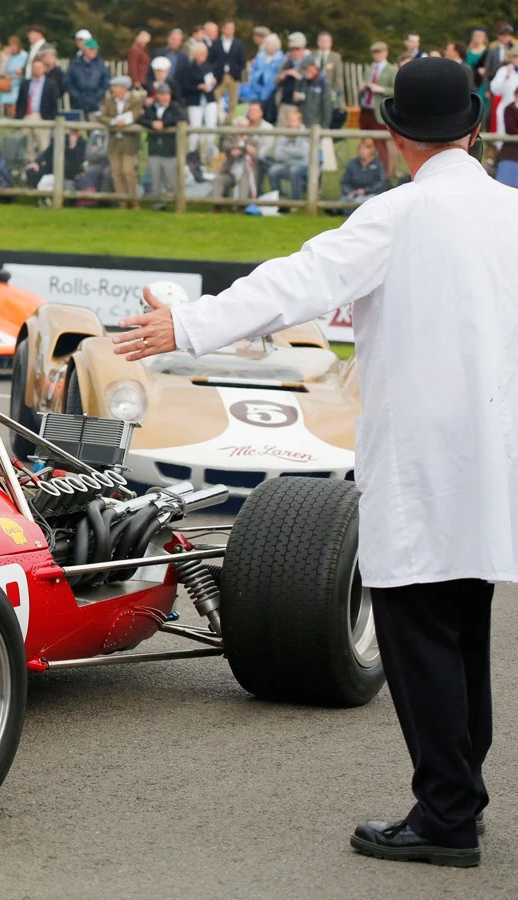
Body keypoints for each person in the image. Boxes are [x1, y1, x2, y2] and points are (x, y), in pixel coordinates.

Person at [116, 57, 517, 869]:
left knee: (420, 634)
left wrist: (186, 326)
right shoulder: (509, 211)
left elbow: (296, 282)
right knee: (463, 628)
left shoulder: (398, 214)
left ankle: (445, 813)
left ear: (391, 132)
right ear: (476, 125)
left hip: (422, 455)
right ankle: (459, 799)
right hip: (492, 447)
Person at [96, 76, 145, 207]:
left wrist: (124, 122)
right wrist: (113, 122)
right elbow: (102, 116)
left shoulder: (135, 99)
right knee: (116, 172)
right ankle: (122, 202)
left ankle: (134, 202)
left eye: (115, 86)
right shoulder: (109, 100)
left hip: (129, 142)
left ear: (123, 88)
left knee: (128, 172)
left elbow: (135, 115)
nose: (112, 89)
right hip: (114, 141)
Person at [138, 82, 183, 209]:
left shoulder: (174, 107)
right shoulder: (152, 108)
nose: (165, 97)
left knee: (171, 179)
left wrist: (164, 123)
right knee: (155, 179)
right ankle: (158, 204)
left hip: (169, 150)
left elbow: (181, 118)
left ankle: (176, 204)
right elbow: (141, 119)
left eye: (167, 94)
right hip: (154, 149)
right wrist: (152, 124)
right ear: (157, 95)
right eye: (162, 94)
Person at [360, 41, 397, 171]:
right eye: (374, 52)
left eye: (379, 52)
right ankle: (365, 172)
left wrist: (381, 89)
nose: (376, 55)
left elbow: (396, 91)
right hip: (366, 109)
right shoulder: (369, 69)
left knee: (381, 144)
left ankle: (385, 175)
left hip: (379, 112)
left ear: (386, 52)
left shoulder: (392, 70)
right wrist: (363, 87)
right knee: (364, 143)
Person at [180, 40, 218, 160]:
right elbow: (185, 86)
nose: (204, 56)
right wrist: (199, 87)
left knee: (211, 125)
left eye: (205, 54)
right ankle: (191, 154)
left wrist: (212, 84)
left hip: (209, 99)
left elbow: (213, 81)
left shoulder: (209, 66)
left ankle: (208, 153)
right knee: (195, 128)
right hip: (195, 100)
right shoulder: (188, 68)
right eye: (201, 54)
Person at [15, 57, 59, 158]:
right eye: (34, 67)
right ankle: (28, 168)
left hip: (41, 117)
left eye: (39, 67)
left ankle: (44, 168)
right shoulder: (25, 84)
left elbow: (54, 105)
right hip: (27, 117)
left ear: (44, 69)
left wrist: (49, 119)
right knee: (26, 146)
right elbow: (20, 103)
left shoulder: (51, 85)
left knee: (44, 145)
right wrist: (19, 119)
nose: (36, 70)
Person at [337, 137, 389, 210]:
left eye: (365, 148)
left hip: (371, 195)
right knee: (344, 200)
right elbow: (344, 181)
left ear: (371, 150)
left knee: (362, 201)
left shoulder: (378, 164)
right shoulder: (353, 163)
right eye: (360, 148)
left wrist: (365, 191)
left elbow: (382, 182)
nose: (362, 151)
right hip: (353, 195)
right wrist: (350, 192)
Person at [66, 38, 109, 120]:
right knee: (76, 128)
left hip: (95, 102)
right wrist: (76, 95)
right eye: (92, 49)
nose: (94, 51)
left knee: (94, 128)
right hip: (77, 102)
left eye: (96, 49)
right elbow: (68, 81)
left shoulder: (101, 64)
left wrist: (97, 96)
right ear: (85, 50)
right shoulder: (75, 63)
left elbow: (105, 82)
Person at [210, 20, 245, 113]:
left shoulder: (238, 44)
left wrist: (236, 70)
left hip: (233, 76)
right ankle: (215, 118)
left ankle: (230, 120)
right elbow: (211, 60)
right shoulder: (215, 43)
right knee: (215, 97)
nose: (231, 30)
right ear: (223, 29)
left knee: (233, 100)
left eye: (232, 28)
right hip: (219, 75)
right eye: (229, 28)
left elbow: (242, 60)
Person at [314, 32, 344, 110]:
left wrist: (334, 93)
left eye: (327, 41)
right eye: (322, 41)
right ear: (318, 43)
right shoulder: (312, 55)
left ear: (331, 43)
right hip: (314, 92)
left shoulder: (336, 57)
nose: (324, 43)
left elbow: (338, 77)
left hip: (329, 92)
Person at [3, 34, 27, 118]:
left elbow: (25, 71)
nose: (12, 47)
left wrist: (18, 74)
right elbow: (3, 70)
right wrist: (8, 57)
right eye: (11, 45)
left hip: (18, 84)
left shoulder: (24, 56)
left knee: (15, 106)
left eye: (14, 45)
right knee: (8, 107)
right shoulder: (7, 56)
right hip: (8, 85)